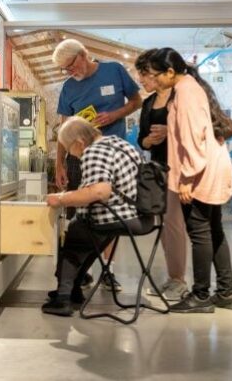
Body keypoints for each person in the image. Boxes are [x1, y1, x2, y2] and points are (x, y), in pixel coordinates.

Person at [142, 47, 232, 313]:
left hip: (199, 171)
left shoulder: (184, 93)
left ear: (170, 72)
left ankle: (200, 296)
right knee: (214, 230)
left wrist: (186, 178)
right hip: (209, 166)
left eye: (152, 74)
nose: (150, 80)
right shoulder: (190, 88)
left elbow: (191, 138)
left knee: (200, 233)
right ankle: (226, 292)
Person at [52, 39, 144, 292]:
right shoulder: (68, 88)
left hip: (112, 156)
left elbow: (137, 101)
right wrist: (59, 164)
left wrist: (115, 115)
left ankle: (107, 269)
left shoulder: (113, 70)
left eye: (71, 66)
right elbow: (63, 129)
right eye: (65, 70)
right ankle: (83, 270)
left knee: (108, 212)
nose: (71, 73)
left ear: (83, 55)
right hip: (79, 157)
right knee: (80, 216)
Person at [42, 117, 151, 317]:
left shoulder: (93, 152)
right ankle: (74, 288)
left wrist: (61, 198)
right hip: (141, 216)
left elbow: (99, 192)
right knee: (91, 237)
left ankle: (63, 298)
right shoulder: (120, 144)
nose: (72, 155)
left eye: (69, 150)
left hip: (117, 216)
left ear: (79, 143)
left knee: (75, 231)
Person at [135, 49, 189, 301]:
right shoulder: (147, 103)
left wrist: (170, 132)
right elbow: (141, 140)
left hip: (180, 168)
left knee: (175, 225)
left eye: (145, 75)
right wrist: (149, 139)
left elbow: (191, 129)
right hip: (157, 169)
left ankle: (179, 279)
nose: (143, 81)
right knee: (165, 226)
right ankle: (172, 277)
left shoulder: (180, 96)